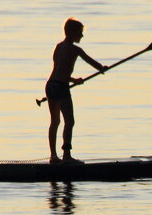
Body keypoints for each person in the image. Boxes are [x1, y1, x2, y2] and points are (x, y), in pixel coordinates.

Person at [46, 19, 108, 163]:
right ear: (73, 33)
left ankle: (53, 156)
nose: (82, 36)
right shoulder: (75, 49)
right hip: (61, 87)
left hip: (50, 85)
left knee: (55, 122)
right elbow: (90, 61)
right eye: (80, 33)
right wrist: (101, 68)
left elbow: (59, 70)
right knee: (70, 121)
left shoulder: (58, 46)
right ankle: (66, 156)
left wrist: (73, 80)